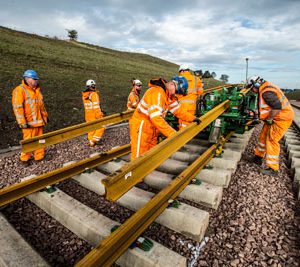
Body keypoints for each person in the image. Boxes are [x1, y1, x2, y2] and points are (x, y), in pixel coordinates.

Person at [129, 76, 201, 160]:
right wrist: (172, 134)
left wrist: (192, 118)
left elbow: (178, 110)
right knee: (138, 159)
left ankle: (144, 173)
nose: (176, 94)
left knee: (148, 156)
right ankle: (133, 173)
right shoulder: (157, 93)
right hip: (142, 127)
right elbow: (156, 117)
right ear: (172, 84)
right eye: (176, 92)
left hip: (152, 128)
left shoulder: (168, 95)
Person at [247, 75, 294, 175]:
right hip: (276, 117)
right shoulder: (265, 88)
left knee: (272, 139)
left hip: (282, 118)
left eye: (251, 88)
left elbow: (277, 107)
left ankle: (273, 169)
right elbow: (267, 107)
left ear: (255, 84)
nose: (252, 91)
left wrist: (269, 119)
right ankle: (258, 158)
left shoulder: (266, 92)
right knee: (263, 135)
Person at [12, 70, 49, 165]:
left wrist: (45, 117)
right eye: (34, 79)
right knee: (28, 142)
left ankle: (39, 157)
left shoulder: (37, 90)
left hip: (39, 122)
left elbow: (41, 105)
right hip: (29, 124)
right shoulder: (20, 90)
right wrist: (22, 122)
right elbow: (18, 107)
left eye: (36, 79)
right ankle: (25, 159)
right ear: (27, 79)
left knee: (41, 141)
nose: (36, 81)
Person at [177, 64, 204, 129]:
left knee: (182, 125)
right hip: (192, 106)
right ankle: (187, 136)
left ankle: (183, 138)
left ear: (182, 71)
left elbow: (174, 93)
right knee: (189, 122)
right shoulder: (196, 79)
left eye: (180, 72)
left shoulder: (178, 79)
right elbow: (200, 92)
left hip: (181, 106)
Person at [82, 79, 105, 147]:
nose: (94, 87)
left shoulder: (84, 95)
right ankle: (94, 140)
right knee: (102, 126)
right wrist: (100, 115)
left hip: (87, 115)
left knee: (91, 129)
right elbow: (96, 106)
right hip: (94, 114)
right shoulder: (94, 94)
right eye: (93, 86)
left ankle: (90, 140)